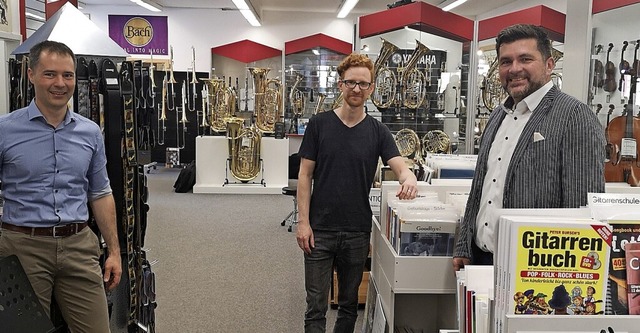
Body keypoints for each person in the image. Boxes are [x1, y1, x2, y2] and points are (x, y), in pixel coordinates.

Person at [453, 24, 605, 270]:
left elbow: (583, 210)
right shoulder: (498, 115)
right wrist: (464, 245)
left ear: (549, 65)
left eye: (525, 59)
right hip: (482, 259)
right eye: (506, 61)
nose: (514, 69)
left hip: (533, 268)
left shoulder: (574, 116)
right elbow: (481, 186)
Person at [0, 40, 121, 332]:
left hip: (78, 245)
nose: (60, 83)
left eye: (67, 75)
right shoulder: (5, 130)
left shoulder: (90, 132)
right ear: (31, 75)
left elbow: (101, 193)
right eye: (50, 74)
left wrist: (114, 251)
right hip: (22, 247)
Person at [296, 52, 418, 332]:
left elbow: (400, 166)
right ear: (340, 85)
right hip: (319, 229)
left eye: (363, 84)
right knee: (315, 305)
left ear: (371, 89)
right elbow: (304, 175)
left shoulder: (378, 131)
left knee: (349, 303)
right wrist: (302, 223)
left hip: (357, 231)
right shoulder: (319, 125)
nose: (356, 89)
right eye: (351, 82)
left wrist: (408, 176)